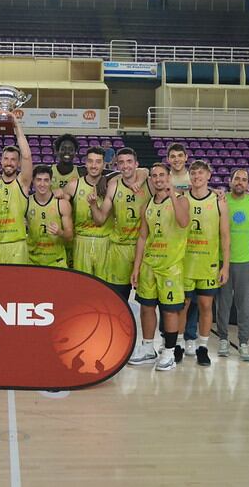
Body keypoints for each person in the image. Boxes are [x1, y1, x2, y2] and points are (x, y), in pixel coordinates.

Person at [129, 164, 190, 371]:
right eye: (154, 176)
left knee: (170, 311)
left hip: (171, 266)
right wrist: (136, 267)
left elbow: (183, 222)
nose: (158, 179)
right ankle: (147, 348)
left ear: (169, 177)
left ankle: (169, 352)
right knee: (146, 307)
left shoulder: (181, 200)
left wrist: (172, 195)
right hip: (149, 264)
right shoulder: (147, 204)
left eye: (162, 175)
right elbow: (143, 237)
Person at [180, 160, 230, 367]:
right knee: (182, 307)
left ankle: (203, 347)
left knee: (205, 305)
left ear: (208, 175)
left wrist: (225, 265)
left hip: (208, 263)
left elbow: (225, 236)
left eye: (201, 173)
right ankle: (179, 346)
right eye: (193, 173)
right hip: (185, 262)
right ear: (189, 176)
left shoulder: (219, 201)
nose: (197, 176)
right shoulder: (182, 199)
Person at [215, 169, 249, 362]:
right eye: (237, 179)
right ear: (230, 181)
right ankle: (223, 340)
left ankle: (244, 343)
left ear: (248, 184)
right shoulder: (220, 199)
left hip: (246, 262)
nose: (240, 182)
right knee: (222, 305)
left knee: (245, 306)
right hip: (222, 260)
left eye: (244, 180)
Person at [90, 147, 151, 300]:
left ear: (136, 164)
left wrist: (210, 190)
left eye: (129, 162)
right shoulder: (114, 186)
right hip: (120, 250)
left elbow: (173, 190)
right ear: (117, 166)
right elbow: (100, 219)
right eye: (121, 163)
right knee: (117, 298)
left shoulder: (150, 184)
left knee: (147, 304)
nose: (126, 166)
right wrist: (92, 205)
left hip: (146, 249)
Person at [0, 121, 33, 264]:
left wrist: (17, 127)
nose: (9, 162)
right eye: (6, 158)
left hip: (16, 245)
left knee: (17, 286)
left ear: (18, 163)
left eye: (13, 160)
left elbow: (27, 156)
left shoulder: (22, 183)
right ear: (1, 161)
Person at [166, 142, 198, 356]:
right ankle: (167, 337)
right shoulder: (162, 178)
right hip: (170, 241)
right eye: (173, 156)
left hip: (193, 239)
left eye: (180, 155)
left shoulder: (193, 178)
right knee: (169, 295)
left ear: (186, 157)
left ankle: (190, 337)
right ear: (168, 159)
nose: (176, 159)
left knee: (190, 295)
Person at [62, 146, 112, 281]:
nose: (94, 165)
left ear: (104, 164)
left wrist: (106, 178)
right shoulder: (73, 186)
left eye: (98, 162)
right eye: (90, 161)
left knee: (104, 287)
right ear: (85, 163)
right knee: (82, 284)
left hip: (104, 241)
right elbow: (59, 205)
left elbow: (140, 171)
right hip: (81, 241)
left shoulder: (111, 184)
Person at [26, 165, 73, 267]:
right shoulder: (26, 203)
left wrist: (59, 232)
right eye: (38, 180)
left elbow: (69, 236)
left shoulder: (62, 204)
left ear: (51, 181)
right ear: (33, 181)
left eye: (46, 180)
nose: (42, 184)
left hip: (56, 261)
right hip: (32, 260)